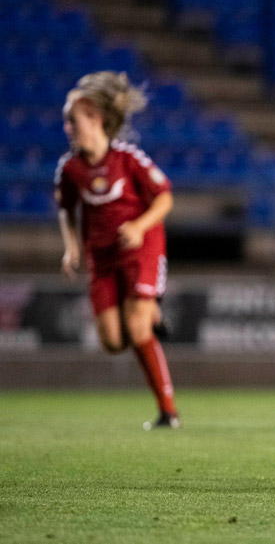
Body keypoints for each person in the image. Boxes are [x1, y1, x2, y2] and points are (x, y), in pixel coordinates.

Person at [55, 71, 178, 429]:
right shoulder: (70, 169)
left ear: (95, 119)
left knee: (137, 330)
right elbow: (66, 209)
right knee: (111, 340)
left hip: (142, 249)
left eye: (72, 120)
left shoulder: (129, 158)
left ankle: (167, 412)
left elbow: (165, 197)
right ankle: (151, 315)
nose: (68, 127)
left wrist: (139, 226)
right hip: (103, 259)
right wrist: (71, 248)